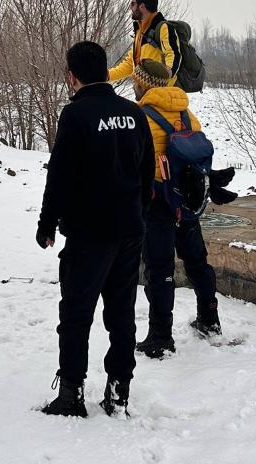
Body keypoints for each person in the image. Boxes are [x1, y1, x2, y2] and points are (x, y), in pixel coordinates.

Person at [36, 42, 155, 418]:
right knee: (122, 315)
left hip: (89, 235)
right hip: (129, 231)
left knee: (76, 313)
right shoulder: (133, 113)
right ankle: (119, 392)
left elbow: (60, 176)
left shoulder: (76, 115)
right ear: (106, 72)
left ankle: (71, 395)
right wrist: (137, 213)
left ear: (72, 77)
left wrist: (46, 223)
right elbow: (147, 172)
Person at [132, 59, 221, 359]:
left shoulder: (141, 117)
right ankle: (210, 319)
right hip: (186, 201)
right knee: (197, 262)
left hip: (157, 202)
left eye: (136, 81)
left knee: (159, 269)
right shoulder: (187, 114)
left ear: (142, 84)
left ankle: (160, 337)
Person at [107, 0, 178, 87]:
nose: (130, 7)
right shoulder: (140, 32)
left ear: (142, 6)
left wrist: (162, 80)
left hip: (161, 92)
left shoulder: (163, 28)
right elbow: (130, 64)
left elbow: (173, 55)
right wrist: (105, 76)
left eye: (132, 4)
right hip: (145, 92)